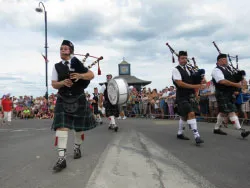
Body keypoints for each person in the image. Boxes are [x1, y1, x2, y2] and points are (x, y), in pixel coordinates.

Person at [51, 40, 96, 172]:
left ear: (71, 50)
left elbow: (91, 75)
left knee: (78, 129)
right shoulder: (56, 66)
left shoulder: (76, 62)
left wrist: (81, 75)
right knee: (61, 128)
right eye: (61, 48)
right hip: (63, 98)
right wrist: (63, 83)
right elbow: (54, 84)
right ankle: (61, 159)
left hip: (78, 98)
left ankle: (77, 147)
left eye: (65, 48)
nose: (62, 50)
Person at [211, 53, 250, 138]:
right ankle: (241, 130)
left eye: (226, 59)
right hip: (222, 92)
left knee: (223, 112)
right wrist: (236, 85)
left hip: (229, 93)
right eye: (224, 59)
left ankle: (216, 128)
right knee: (231, 110)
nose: (226, 61)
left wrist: (239, 76)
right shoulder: (216, 70)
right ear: (219, 61)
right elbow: (222, 81)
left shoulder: (228, 69)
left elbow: (232, 79)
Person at [172, 51, 205, 145]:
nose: (184, 60)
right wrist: (196, 86)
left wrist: (201, 78)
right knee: (191, 112)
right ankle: (197, 136)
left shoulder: (190, 69)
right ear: (178, 59)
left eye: (185, 58)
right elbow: (180, 83)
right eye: (182, 58)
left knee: (184, 116)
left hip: (191, 95)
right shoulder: (176, 70)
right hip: (181, 95)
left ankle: (180, 133)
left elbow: (196, 81)